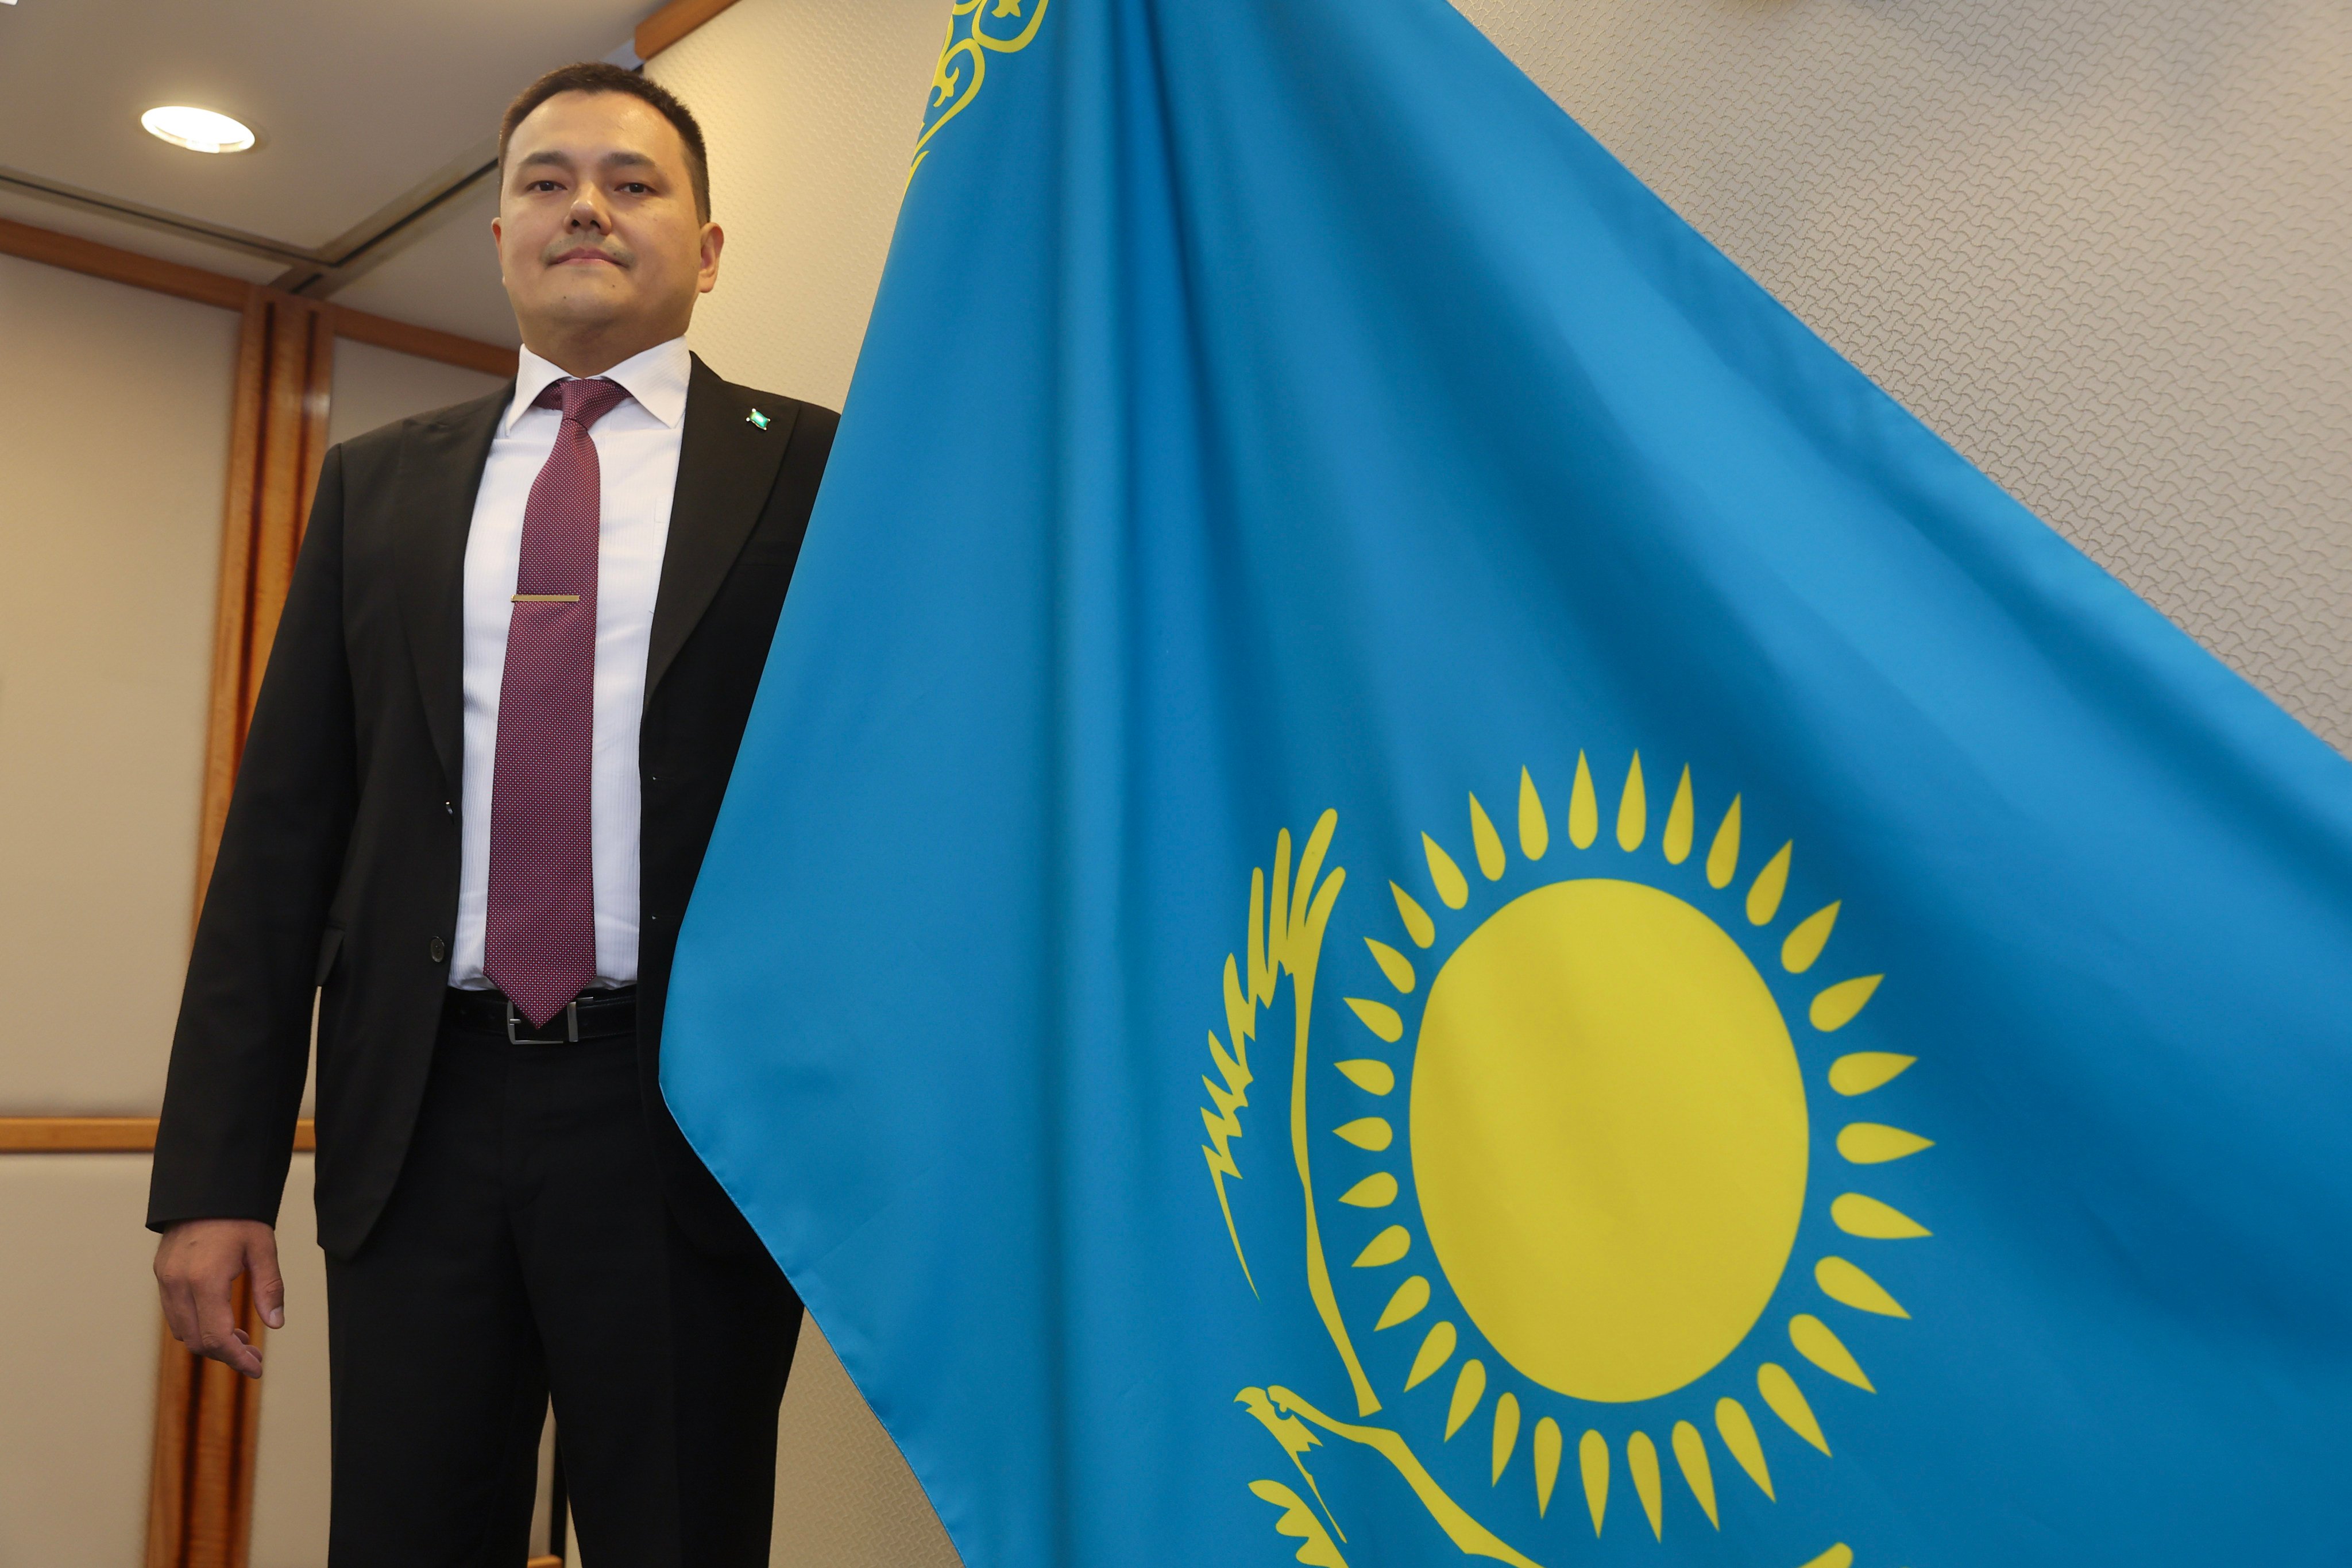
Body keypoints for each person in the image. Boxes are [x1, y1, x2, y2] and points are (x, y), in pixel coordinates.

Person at [146, 62, 832, 1567]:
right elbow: (282, 844)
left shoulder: (822, 478)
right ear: (504, 234)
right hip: (418, 1121)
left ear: (708, 250)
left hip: (688, 1125)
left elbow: (881, 835)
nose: (587, 204)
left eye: (636, 182)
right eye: (546, 179)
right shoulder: (373, 489)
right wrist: (213, 1179)